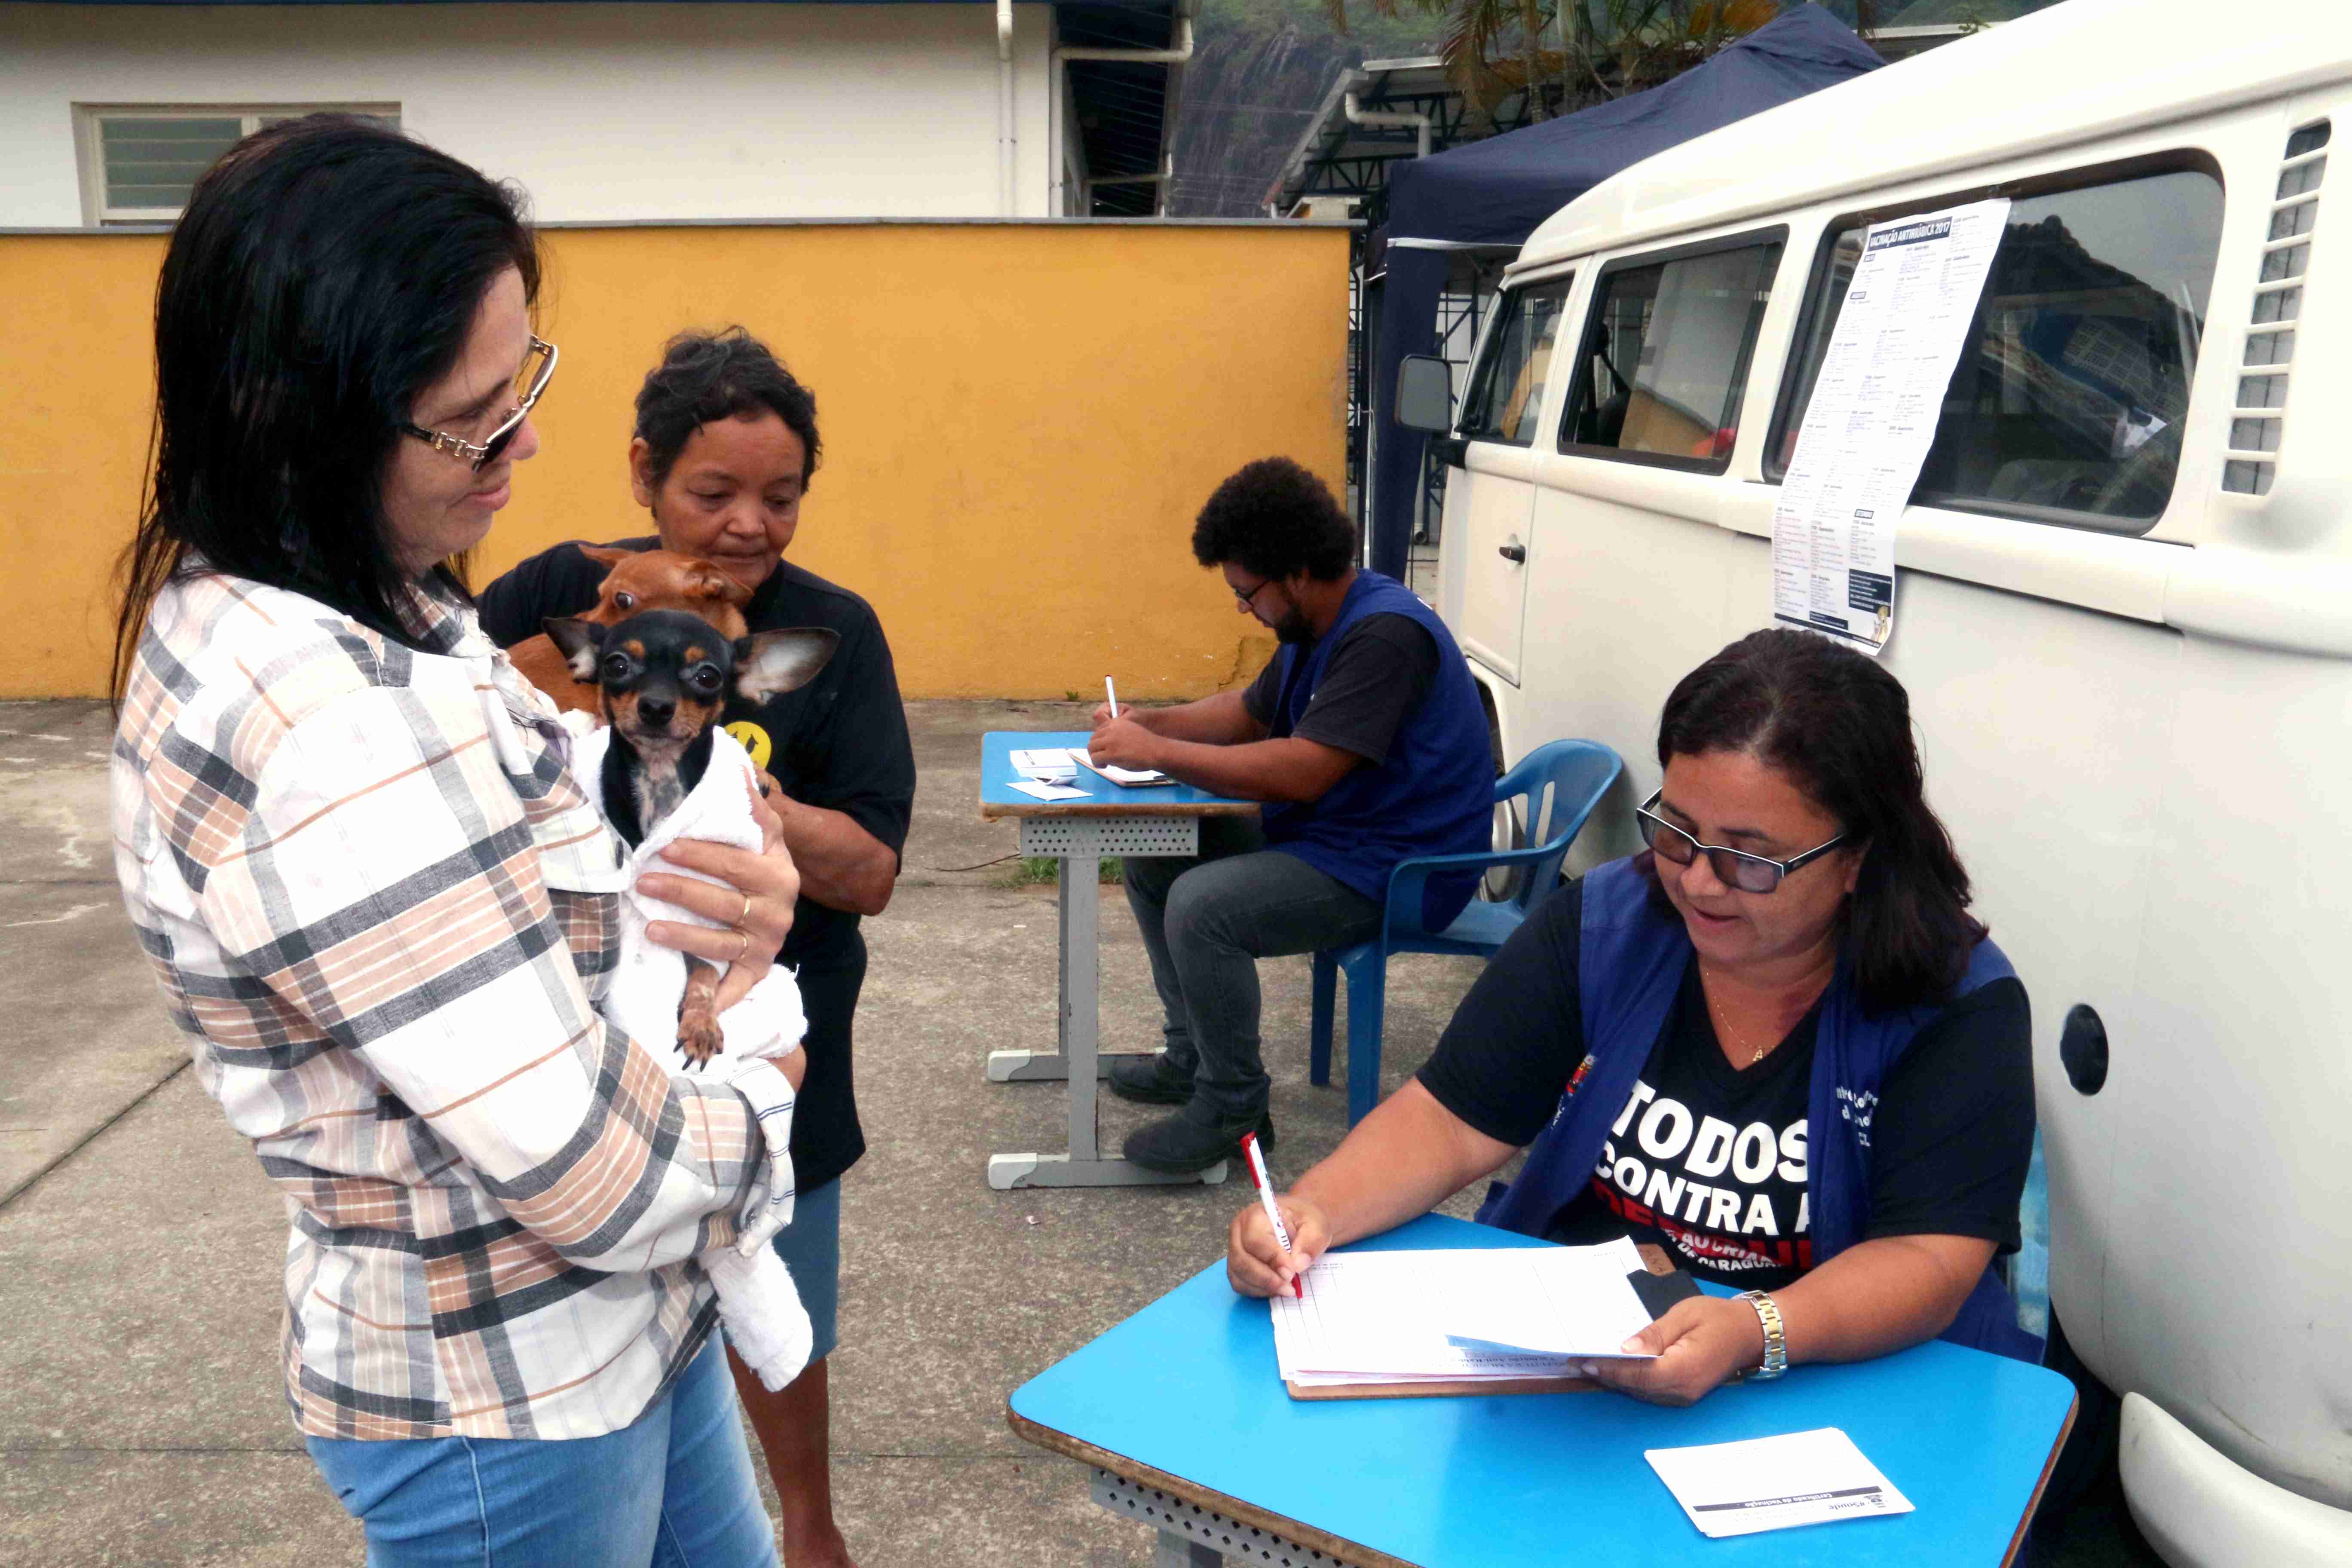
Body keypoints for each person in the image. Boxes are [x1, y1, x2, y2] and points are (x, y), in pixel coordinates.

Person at [110, 119, 801, 1564]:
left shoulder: (394, 604)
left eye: (523, 376)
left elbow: (557, 901)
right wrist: (768, 1083)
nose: (527, 441)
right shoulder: (322, 727)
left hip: (626, 1329)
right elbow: (590, 1174)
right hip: (508, 1396)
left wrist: (732, 901)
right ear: (307, 414)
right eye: (477, 413)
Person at [1226, 628, 2040, 1400]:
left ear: (1860, 858)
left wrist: (1755, 1331)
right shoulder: (1611, 923)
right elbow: (1453, 1117)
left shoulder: (1955, 1001)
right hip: (1590, 1355)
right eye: (1677, 832)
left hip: (1839, 1371)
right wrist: (1315, 1209)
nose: (1698, 882)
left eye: (1750, 859)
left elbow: (1930, 1255)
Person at [478, 329, 913, 1568]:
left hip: (771, 1029)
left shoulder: (830, 636)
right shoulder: (562, 596)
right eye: (712, 493)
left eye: (780, 498)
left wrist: (740, 804)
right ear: (642, 475)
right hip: (584, 1033)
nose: (748, 526)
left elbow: (873, 873)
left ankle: (814, 1532)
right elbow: (452, 732)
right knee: (613, 1317)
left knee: (776, 1303)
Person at [1087, 456, 1493, 1174]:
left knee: (1202, 906)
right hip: (1346, 838)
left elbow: (1306, 771)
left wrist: (1159, 752)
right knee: (1157, 853)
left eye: (1248, 592)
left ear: (1298, 573)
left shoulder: (1383, 637)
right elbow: (1249, 714)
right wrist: (1157, 723)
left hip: (1403, 870)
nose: (1243, 608)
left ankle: (1235, 1107)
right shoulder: (1319, 625)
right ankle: (1193, 1054)